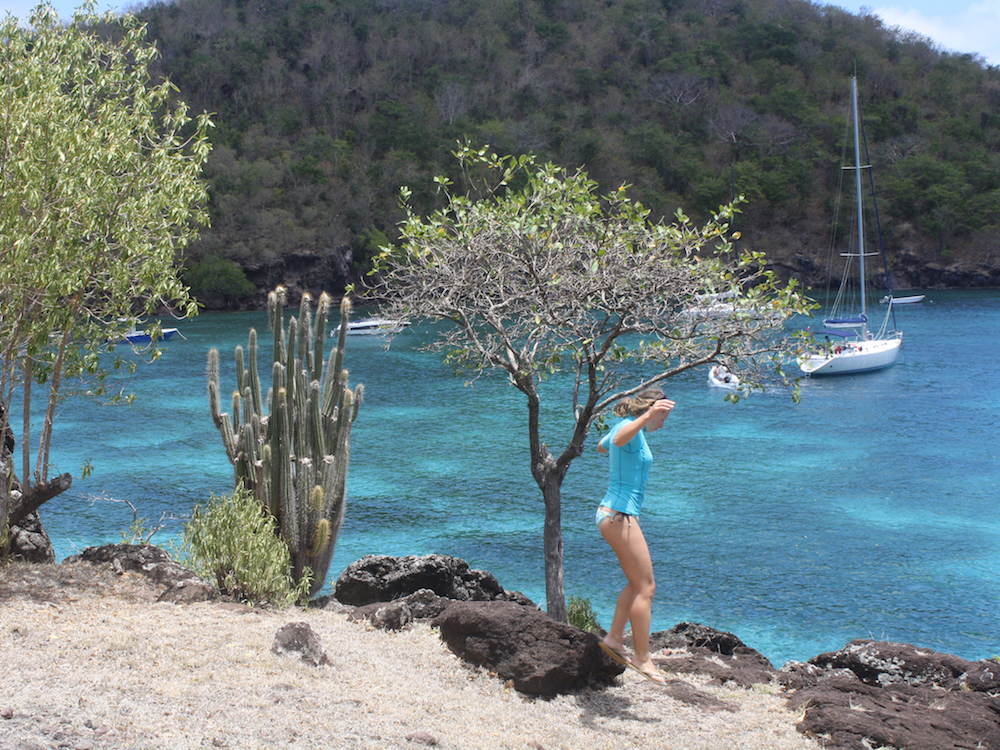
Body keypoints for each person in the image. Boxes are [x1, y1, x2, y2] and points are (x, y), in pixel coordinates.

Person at [595, 387, 676, 686]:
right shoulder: (629, 430)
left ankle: (615, 638)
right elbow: (615, 440)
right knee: (647, 588)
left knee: (636, 583)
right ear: (649, 411)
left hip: (616, 515)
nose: (663, 424)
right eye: (662, 417)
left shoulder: (632, 431)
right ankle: (642, 657)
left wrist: (640, 422)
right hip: (619, 515)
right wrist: (646, 417)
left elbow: (603, 446)